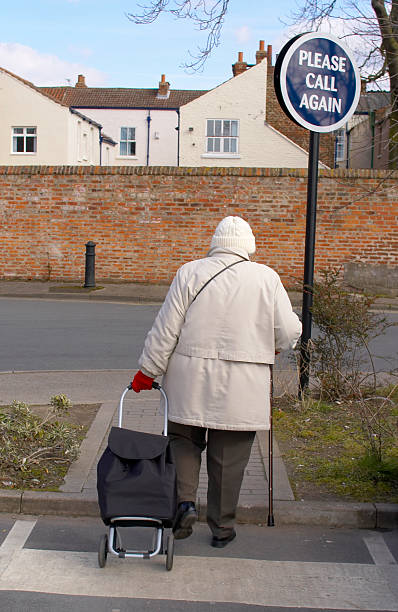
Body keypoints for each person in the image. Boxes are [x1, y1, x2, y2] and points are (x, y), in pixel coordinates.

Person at [131, 216, 301, 547]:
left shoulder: (189, 272)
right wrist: (274, 345)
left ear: (215, 242)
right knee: (229, 458)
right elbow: (289, 329)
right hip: (243, 384)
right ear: (249, 246)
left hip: (189, 379)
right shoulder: (266, 278)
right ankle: (222, 529)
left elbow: (166, 329)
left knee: (183, 442)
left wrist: (147, 371)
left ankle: (185, 503)